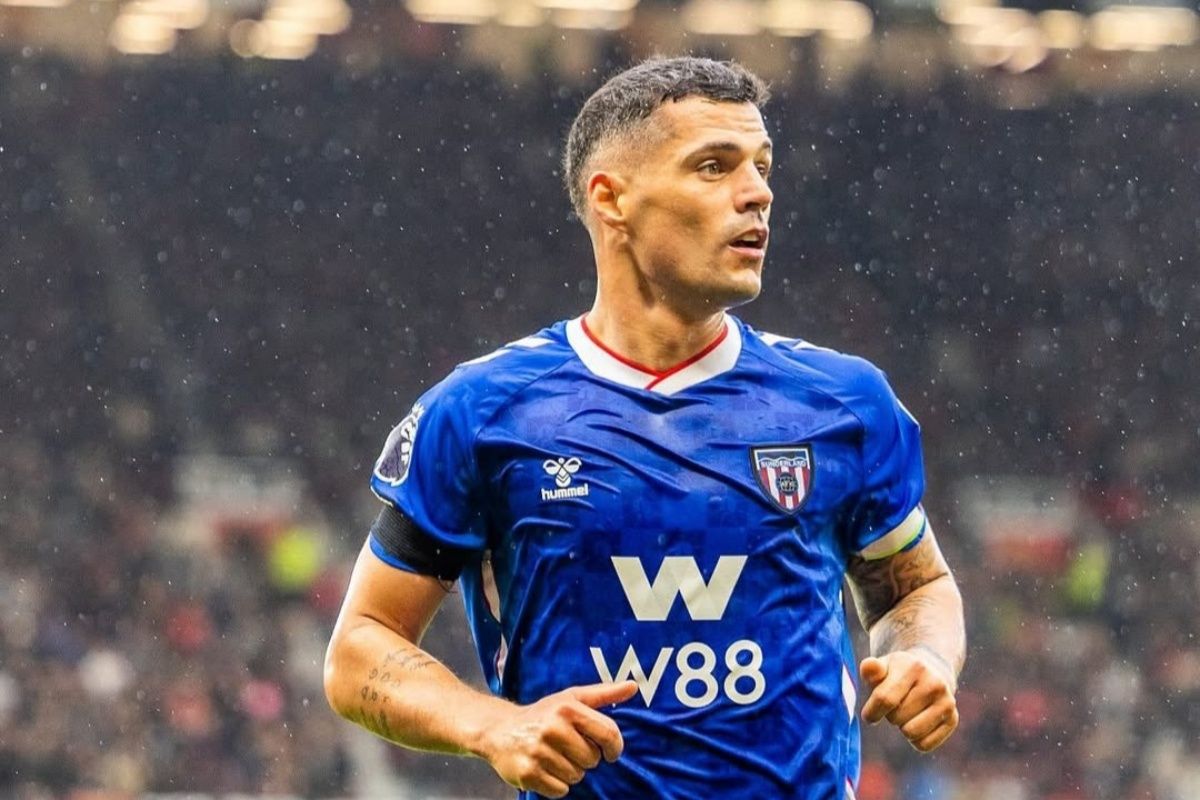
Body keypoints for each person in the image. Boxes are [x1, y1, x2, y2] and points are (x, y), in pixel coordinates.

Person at [324, 56, 965, 799]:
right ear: (612, 199)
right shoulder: (483, 413)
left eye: (761, 167)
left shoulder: (843, 402)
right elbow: (360, 648)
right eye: (714, 166)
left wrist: (926, 657)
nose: (757, 193)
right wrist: (493, 726)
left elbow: (915, 588)